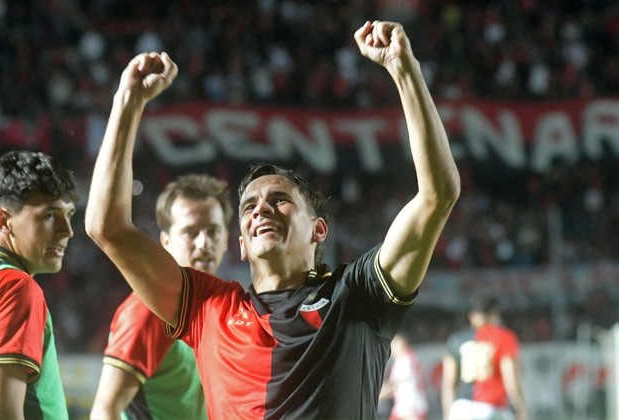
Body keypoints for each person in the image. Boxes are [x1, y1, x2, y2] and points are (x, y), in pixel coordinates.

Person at [85, 19, 460, 419]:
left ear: (318, 229)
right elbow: (107, 228)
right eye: (249, 206)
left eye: (279, 200)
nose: (261, 209)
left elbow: (437, 196)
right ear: (241, 245)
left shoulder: (358, 296)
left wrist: (404, 69)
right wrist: (127, 101)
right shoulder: (209, 308)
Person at [89, 173, 232, 419]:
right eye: (191, 232)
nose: (203, 243)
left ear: (226, 240)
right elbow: (104, 410)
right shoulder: (148, 310)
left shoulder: (225, 310)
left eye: (213, 231)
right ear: (166, 241)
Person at [0, 150, 78, 419]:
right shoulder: (14, 286)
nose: (67, 230)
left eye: (69, 214)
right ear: (2, 221)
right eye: (50, 215)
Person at [441, 296, 527, 420]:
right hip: (491, 407)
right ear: (495, 313)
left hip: (461, 408)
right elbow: (511, 381)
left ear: (471, 316)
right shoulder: (504, 337)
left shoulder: (455, 340)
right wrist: (521, 409)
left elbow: (448, 385)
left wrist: (447, 415)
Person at [379, 332, 429, 420]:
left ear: (400, 344)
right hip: (415, 406)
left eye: (393, 345)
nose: (391, 349)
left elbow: (393, 385)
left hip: (408, 409)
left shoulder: (403, 361)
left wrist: (377, 397)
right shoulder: (411, 356)